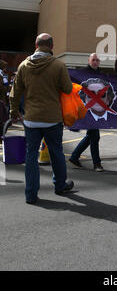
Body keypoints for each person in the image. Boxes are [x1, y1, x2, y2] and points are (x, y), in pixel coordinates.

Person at [9, 33, 74, 204]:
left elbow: (14, 93)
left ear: (36, 45)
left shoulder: (23, 65)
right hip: (52, 118)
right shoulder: (58, 65)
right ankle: (60, 185)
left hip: (31, 119)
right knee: (56, 153)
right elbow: (67, 89)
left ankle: (31, 194)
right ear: (52, 46)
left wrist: (14, 111)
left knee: (31, 156)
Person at [69, 53, 105, 172]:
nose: (95, 62)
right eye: (93, 60)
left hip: (97, 108)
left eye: (97, 60)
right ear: (89, 60)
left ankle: (74, 156)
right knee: (95, 136)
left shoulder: (101, 74)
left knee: (91, 135)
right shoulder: (82, 72)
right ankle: (97, 164)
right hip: (86, 108)